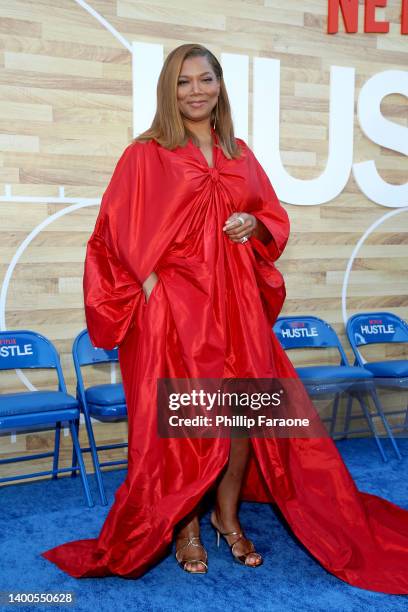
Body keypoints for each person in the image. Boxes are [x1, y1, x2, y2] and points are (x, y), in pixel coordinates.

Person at [42, 44, 408, 593]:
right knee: (185, 417)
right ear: (170, 89)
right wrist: (150, 287)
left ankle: (226, 514)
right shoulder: (145, 155)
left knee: (243, 411)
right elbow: (111, 234)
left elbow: (272, 219)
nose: (196, 90)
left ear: (219, 86)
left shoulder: (240, 153)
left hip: (235, 300)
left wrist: (251, 226)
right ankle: (184, 523)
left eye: (206, 79)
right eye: (185, 81)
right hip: (173, 309)